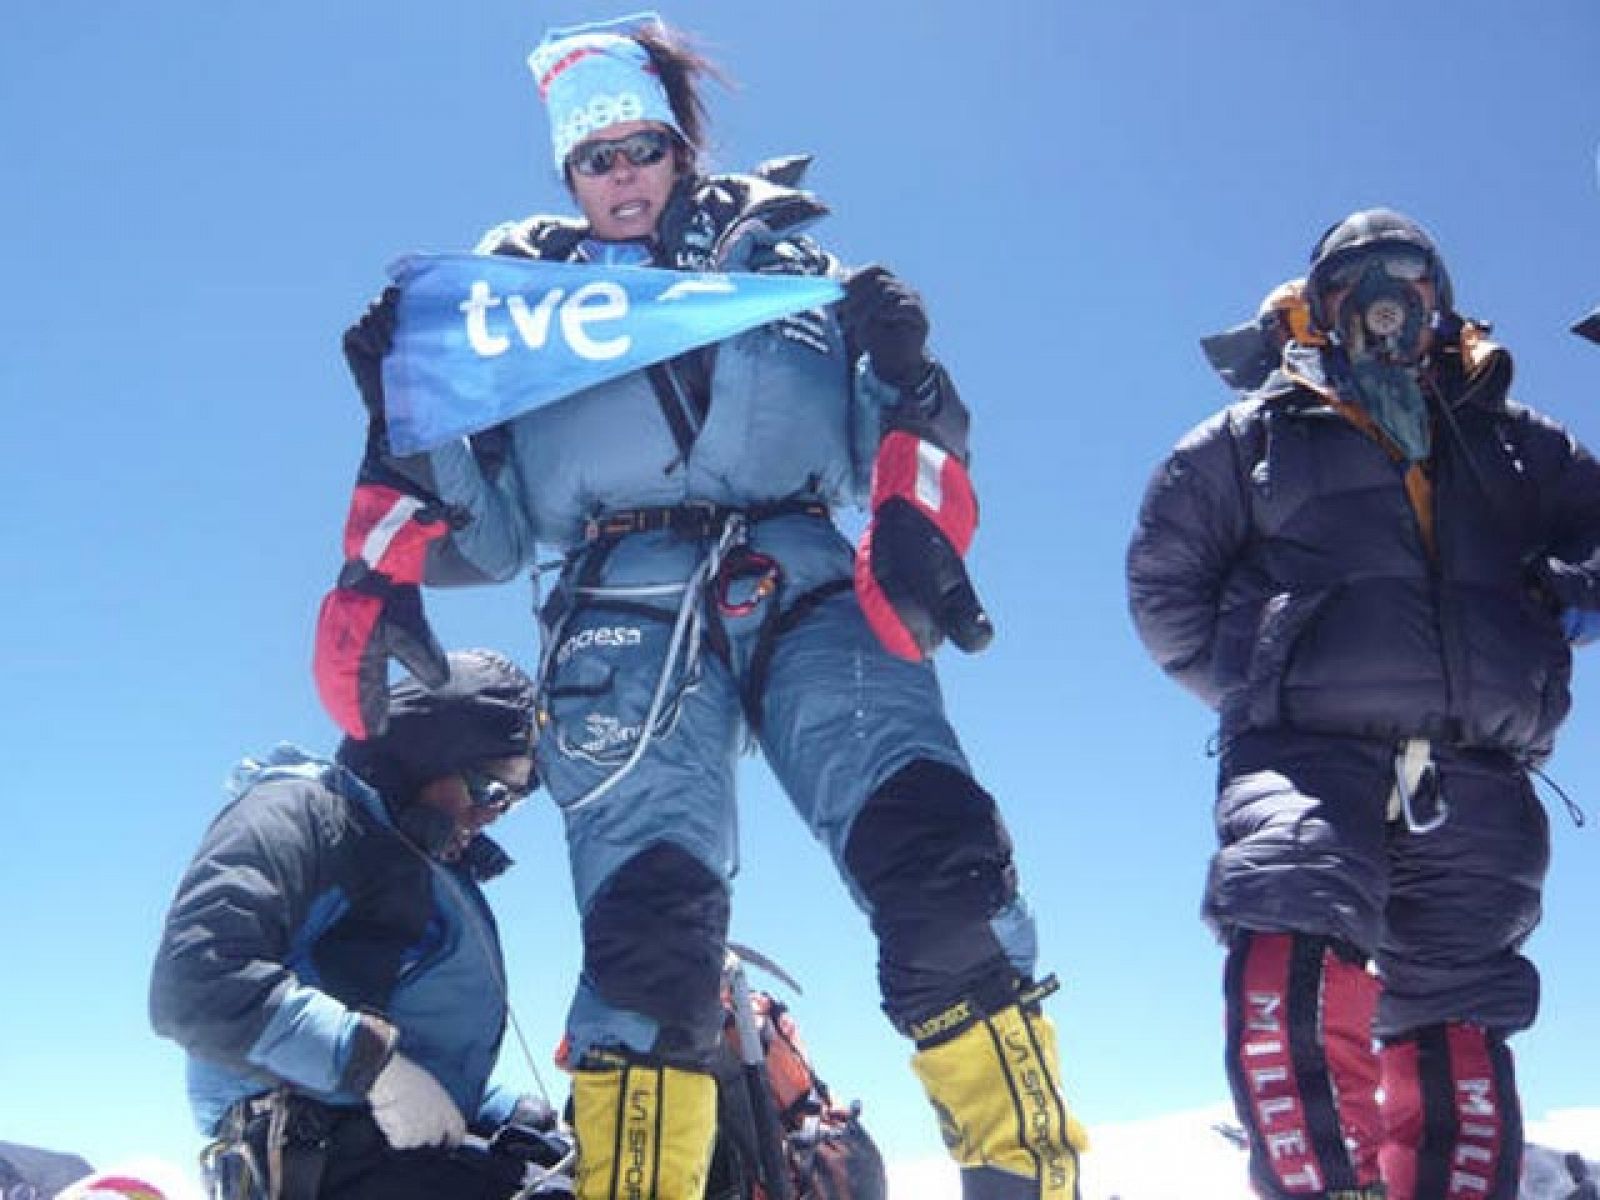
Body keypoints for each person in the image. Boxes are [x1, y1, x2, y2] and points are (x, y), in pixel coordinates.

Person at [312, 12, 1085, 1200]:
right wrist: (412, 407)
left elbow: (879, 445)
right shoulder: (525, 308)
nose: (620, 176)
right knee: (648, 939)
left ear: (680, 150)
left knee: (936, 862)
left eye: (639, 148)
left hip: (802, 575)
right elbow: (495, 532)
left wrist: (910, 373)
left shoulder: (783, 275)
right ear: (569, 175)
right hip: (619, 610)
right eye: (593, 158)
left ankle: (1029, 1179)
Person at [1127, 208, 1600, 1200]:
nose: (1385, 298)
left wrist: (1567, 595)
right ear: (1320, 305)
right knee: (1288, 921)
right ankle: (1323, 1183)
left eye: (1408, 276)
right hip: (1305, 753)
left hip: (1477, 764)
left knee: (1457, 1000)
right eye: (1358, 279)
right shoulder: (1250, 439)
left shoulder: (1517, 447)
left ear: (1439, 302)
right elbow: (1164, 589)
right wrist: (1271, 682)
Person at [149, 650, 557, 1200]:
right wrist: (374, 1069)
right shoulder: (302, 815)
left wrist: (509, 1114)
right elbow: (198, 981)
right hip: (311, 1155)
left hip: (385, 1151)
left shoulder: (418, 866)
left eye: (508, 803)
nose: (490, 816)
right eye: (489, 789)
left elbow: (416, 1057)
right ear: (425, 756)